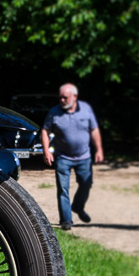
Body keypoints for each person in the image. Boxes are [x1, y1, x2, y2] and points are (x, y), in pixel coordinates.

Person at [40, 83, 104, 231]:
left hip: (84, 156)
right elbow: (45, 130)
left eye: (65, 97)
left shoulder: (86, 109)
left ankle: (78, 206)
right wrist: (46, 151)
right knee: (63, 189)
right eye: (60, 97)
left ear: (74, 97)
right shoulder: (54, 112)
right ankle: (66, 220)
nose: (62, 100)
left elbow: (94, 130)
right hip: (63, 157)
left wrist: (99, 150)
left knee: (86, 184)